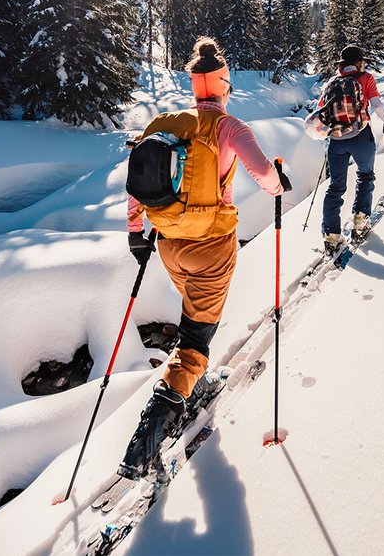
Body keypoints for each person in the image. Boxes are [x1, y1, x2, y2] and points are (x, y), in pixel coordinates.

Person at [119, 37, 289, 479]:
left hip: (169, 246)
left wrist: (137, 233)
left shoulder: (166, 122)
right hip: (213, 247)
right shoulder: (230, 127)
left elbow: (136, 182)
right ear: (224, 86)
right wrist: (279, 182)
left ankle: (189, 381)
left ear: (196, 87)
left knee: (194, 314)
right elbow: (266, 176)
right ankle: (149, 435)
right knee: (196, 337)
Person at [319, 45, 384, 253]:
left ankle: (331, 235)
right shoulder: (366, 78)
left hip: (336, 140)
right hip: (360, 136)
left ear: (342, 64)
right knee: (365, 175)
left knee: (335, 187)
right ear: (359, 62)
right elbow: (377, 106)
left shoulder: (331, 83)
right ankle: (360, 220)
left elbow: (321, 112)